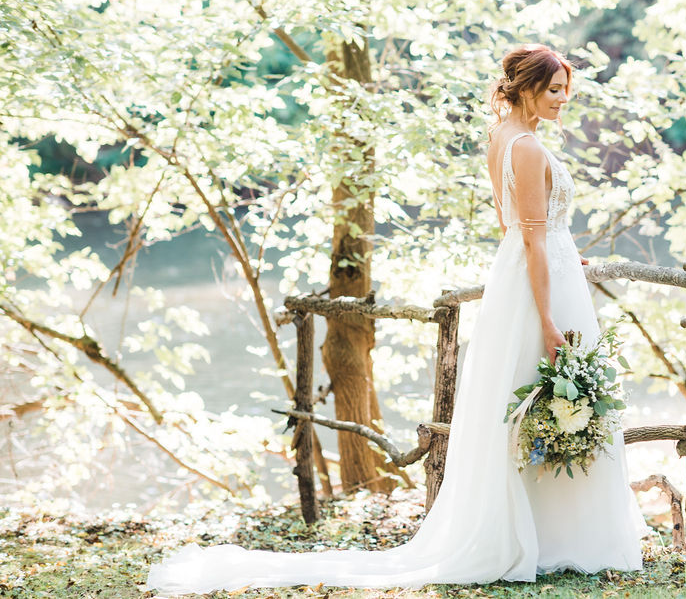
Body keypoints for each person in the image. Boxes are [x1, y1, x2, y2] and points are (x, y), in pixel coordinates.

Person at [146, 44, 645, 595]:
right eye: (554, 90)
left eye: (565, 91)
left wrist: (558, 250)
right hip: (537, 286)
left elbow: (520, 227)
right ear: (527, 87)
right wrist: (549, 318)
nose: (563, 100)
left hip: (536, 269)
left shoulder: (503, 136)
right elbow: (527, 233)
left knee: (530, 399)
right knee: (540, 395)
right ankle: (557, 537)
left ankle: (553, 533)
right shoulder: (524, 144)